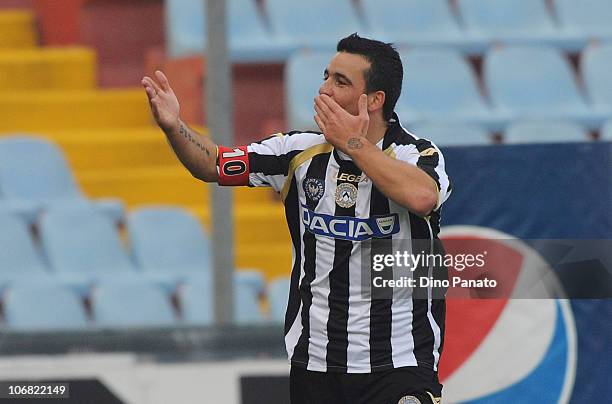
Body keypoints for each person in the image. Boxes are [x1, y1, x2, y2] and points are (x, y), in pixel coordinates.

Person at [142, 33, 450, 404]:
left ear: (375, 100)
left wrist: (353, 143)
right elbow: (212, 164)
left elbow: (421, 196)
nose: (325, 89)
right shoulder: (296, 153)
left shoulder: (416, 154)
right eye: (326, 76)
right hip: (317, 361)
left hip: (399, 362)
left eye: (340, 81)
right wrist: (175, 126)